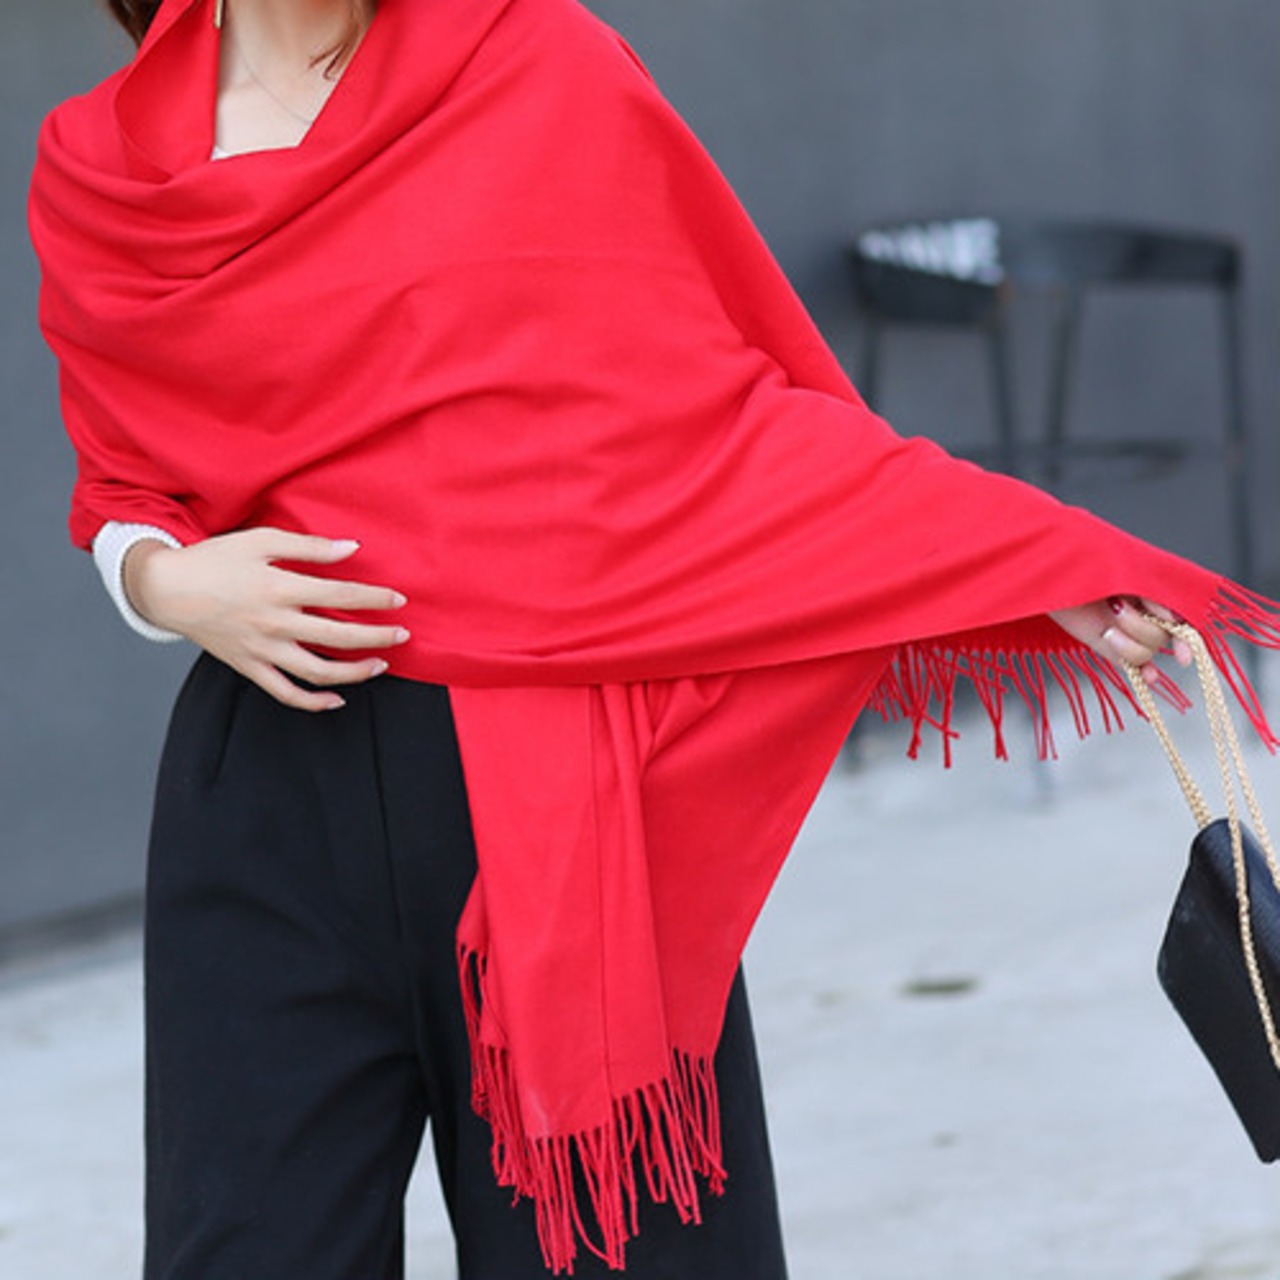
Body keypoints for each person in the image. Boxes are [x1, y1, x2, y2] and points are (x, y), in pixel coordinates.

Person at [29, 1, 1279, 1277]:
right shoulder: (105, 164)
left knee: (623, 1251)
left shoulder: (532, 62)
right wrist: (163, 584)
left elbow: (715, 412)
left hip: (558, 797)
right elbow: (126, 479)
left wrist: (1027, 562)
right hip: (267, 797)